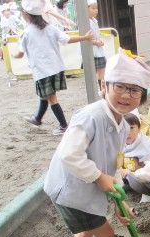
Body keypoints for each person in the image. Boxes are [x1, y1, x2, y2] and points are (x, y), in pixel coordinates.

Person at [43, 48, 150, 237]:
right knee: (106, 235)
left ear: (142, 96)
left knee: (87, 229)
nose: (126, 95)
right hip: (71, 192)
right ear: (105, 85)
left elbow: (113, 165)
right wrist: (98, 177)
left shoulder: (123, 125)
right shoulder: (91, 116)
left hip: (83, 192)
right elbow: (69, 154)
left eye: (134, 90)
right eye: (120, 87)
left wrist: (117, 201)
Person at [13, 0, 92, 136]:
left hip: (42, 72)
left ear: (26, 15)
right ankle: (37, 118)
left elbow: (20, 54)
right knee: (45, 95)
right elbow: (67, 39)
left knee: (51, 98)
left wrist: (13, 55)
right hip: (56, 68)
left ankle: (64, 126)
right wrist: (84, 38)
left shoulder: (27, 33)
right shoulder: (50, 28)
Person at [119, 112, 150, 203]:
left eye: (131, 128)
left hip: (145, 170)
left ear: (139, 129)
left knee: (148, 171)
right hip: (128, 170)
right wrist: (120, 168)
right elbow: (118, 155)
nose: (128, 132)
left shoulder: (145, 143)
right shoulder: (120, 141)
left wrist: (133, 173)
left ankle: (147, 191)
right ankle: (128, 183)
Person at [87, 0, 106, 90]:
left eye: (97, 8)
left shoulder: (94, 20)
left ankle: (102, 91)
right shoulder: (85, 22)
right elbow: (85, 38)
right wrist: (97, 42)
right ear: (86, 9)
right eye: (93, 8)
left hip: (98, 50)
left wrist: (99, 41)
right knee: (93, 73)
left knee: (102, 73)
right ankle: (97, 91)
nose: (96, 10)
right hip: (92, 51)